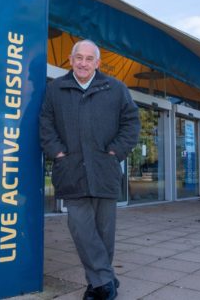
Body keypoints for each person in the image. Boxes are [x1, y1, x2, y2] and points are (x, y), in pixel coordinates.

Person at [39, 40, 140, 300]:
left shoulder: (115, 88)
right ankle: (105, 280)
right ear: (70, 61)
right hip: (70, 169)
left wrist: (116, 152)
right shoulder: (55, 88)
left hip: (104, 170)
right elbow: (45, 123)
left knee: (104, 232)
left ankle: (98, 284)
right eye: (78, 58)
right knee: (82, 229)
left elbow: (131, 123)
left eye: (88, 59)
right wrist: (58, 153)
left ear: (97, 63)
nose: (83, 63)